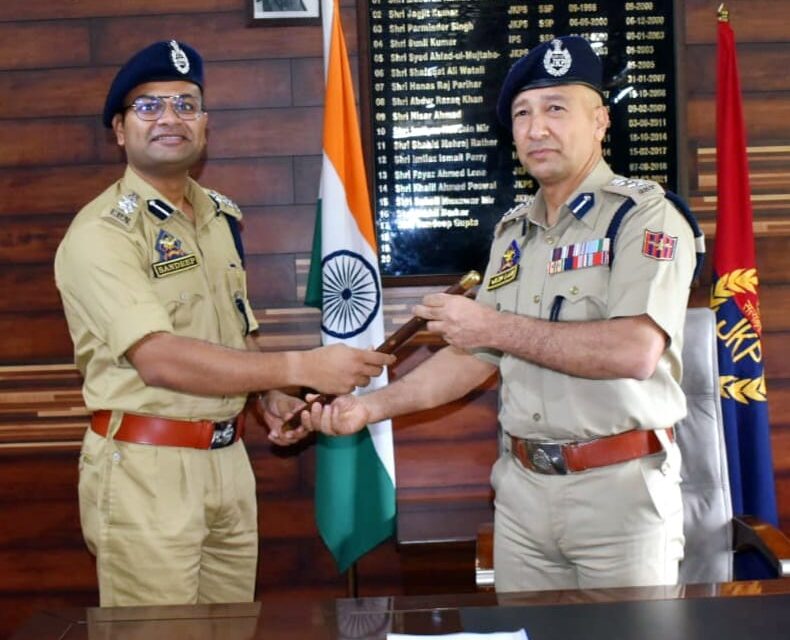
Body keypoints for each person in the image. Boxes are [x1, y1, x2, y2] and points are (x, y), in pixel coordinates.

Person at [302, 35, 701, 592]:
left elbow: (633, 350)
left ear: (600, 120)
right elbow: (474, 357)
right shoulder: (514, 233)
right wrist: (367, 409)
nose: (537, 128)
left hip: (619, 496)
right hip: (521, 494)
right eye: (522, 114)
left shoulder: (644, 218)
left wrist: (491, 326)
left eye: (556, 108)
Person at [53, 39, 393, 607]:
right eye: (148, 106)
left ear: (205, 124)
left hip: (228, 461)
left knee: (232, 628)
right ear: (119, 130)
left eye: (186, 105)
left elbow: (233, 327)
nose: (170, 118)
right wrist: (302, 365)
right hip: (146, 470)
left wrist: (268, 394)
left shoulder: (217, 216)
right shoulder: (102, 233)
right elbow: (158, 357)